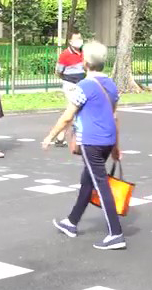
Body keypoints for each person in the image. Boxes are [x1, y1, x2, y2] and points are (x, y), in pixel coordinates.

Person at [41, 41, 125, 250]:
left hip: (91, 141)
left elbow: (68, 116)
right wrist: (115, 146)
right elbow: (114, 116)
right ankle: (72, 222)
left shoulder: (84, 87)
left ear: (85, 63)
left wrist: (50, 136)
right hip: (106, 140)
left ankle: (116, 233)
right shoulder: (112, 85)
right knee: (88, 181)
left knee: (100, 183)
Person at [54, 32, 86, 147]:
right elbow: (58, 71)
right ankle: (60, 136)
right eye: (76, 39)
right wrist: (67, 79)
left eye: (80, 38)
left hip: (81, 85)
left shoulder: (83, 53)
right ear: (70, 42)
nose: (79, 41)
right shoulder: (65, 55)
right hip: (70, 85)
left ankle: (61, 136)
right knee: (73, 110)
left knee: (75, 111)